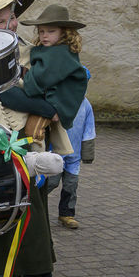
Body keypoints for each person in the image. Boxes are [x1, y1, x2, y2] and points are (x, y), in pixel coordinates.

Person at [0, 4, 87, 277]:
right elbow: (5, 92)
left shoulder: (33, 50)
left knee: (27, 199)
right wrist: (46, 109)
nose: (10, 24)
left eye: (13, 18)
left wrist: (55, 108)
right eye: (2, 20)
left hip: (25, 136)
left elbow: (52, 85)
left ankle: (17, 271)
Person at [50, 96, 95, 229]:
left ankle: (67, 213)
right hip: (55, 152)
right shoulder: (57, 100)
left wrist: (88, 152)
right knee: (50, 182)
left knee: (71, 185)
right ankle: (33, 209)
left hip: (74, 155)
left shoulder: (86, 104)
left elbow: (89, 129)